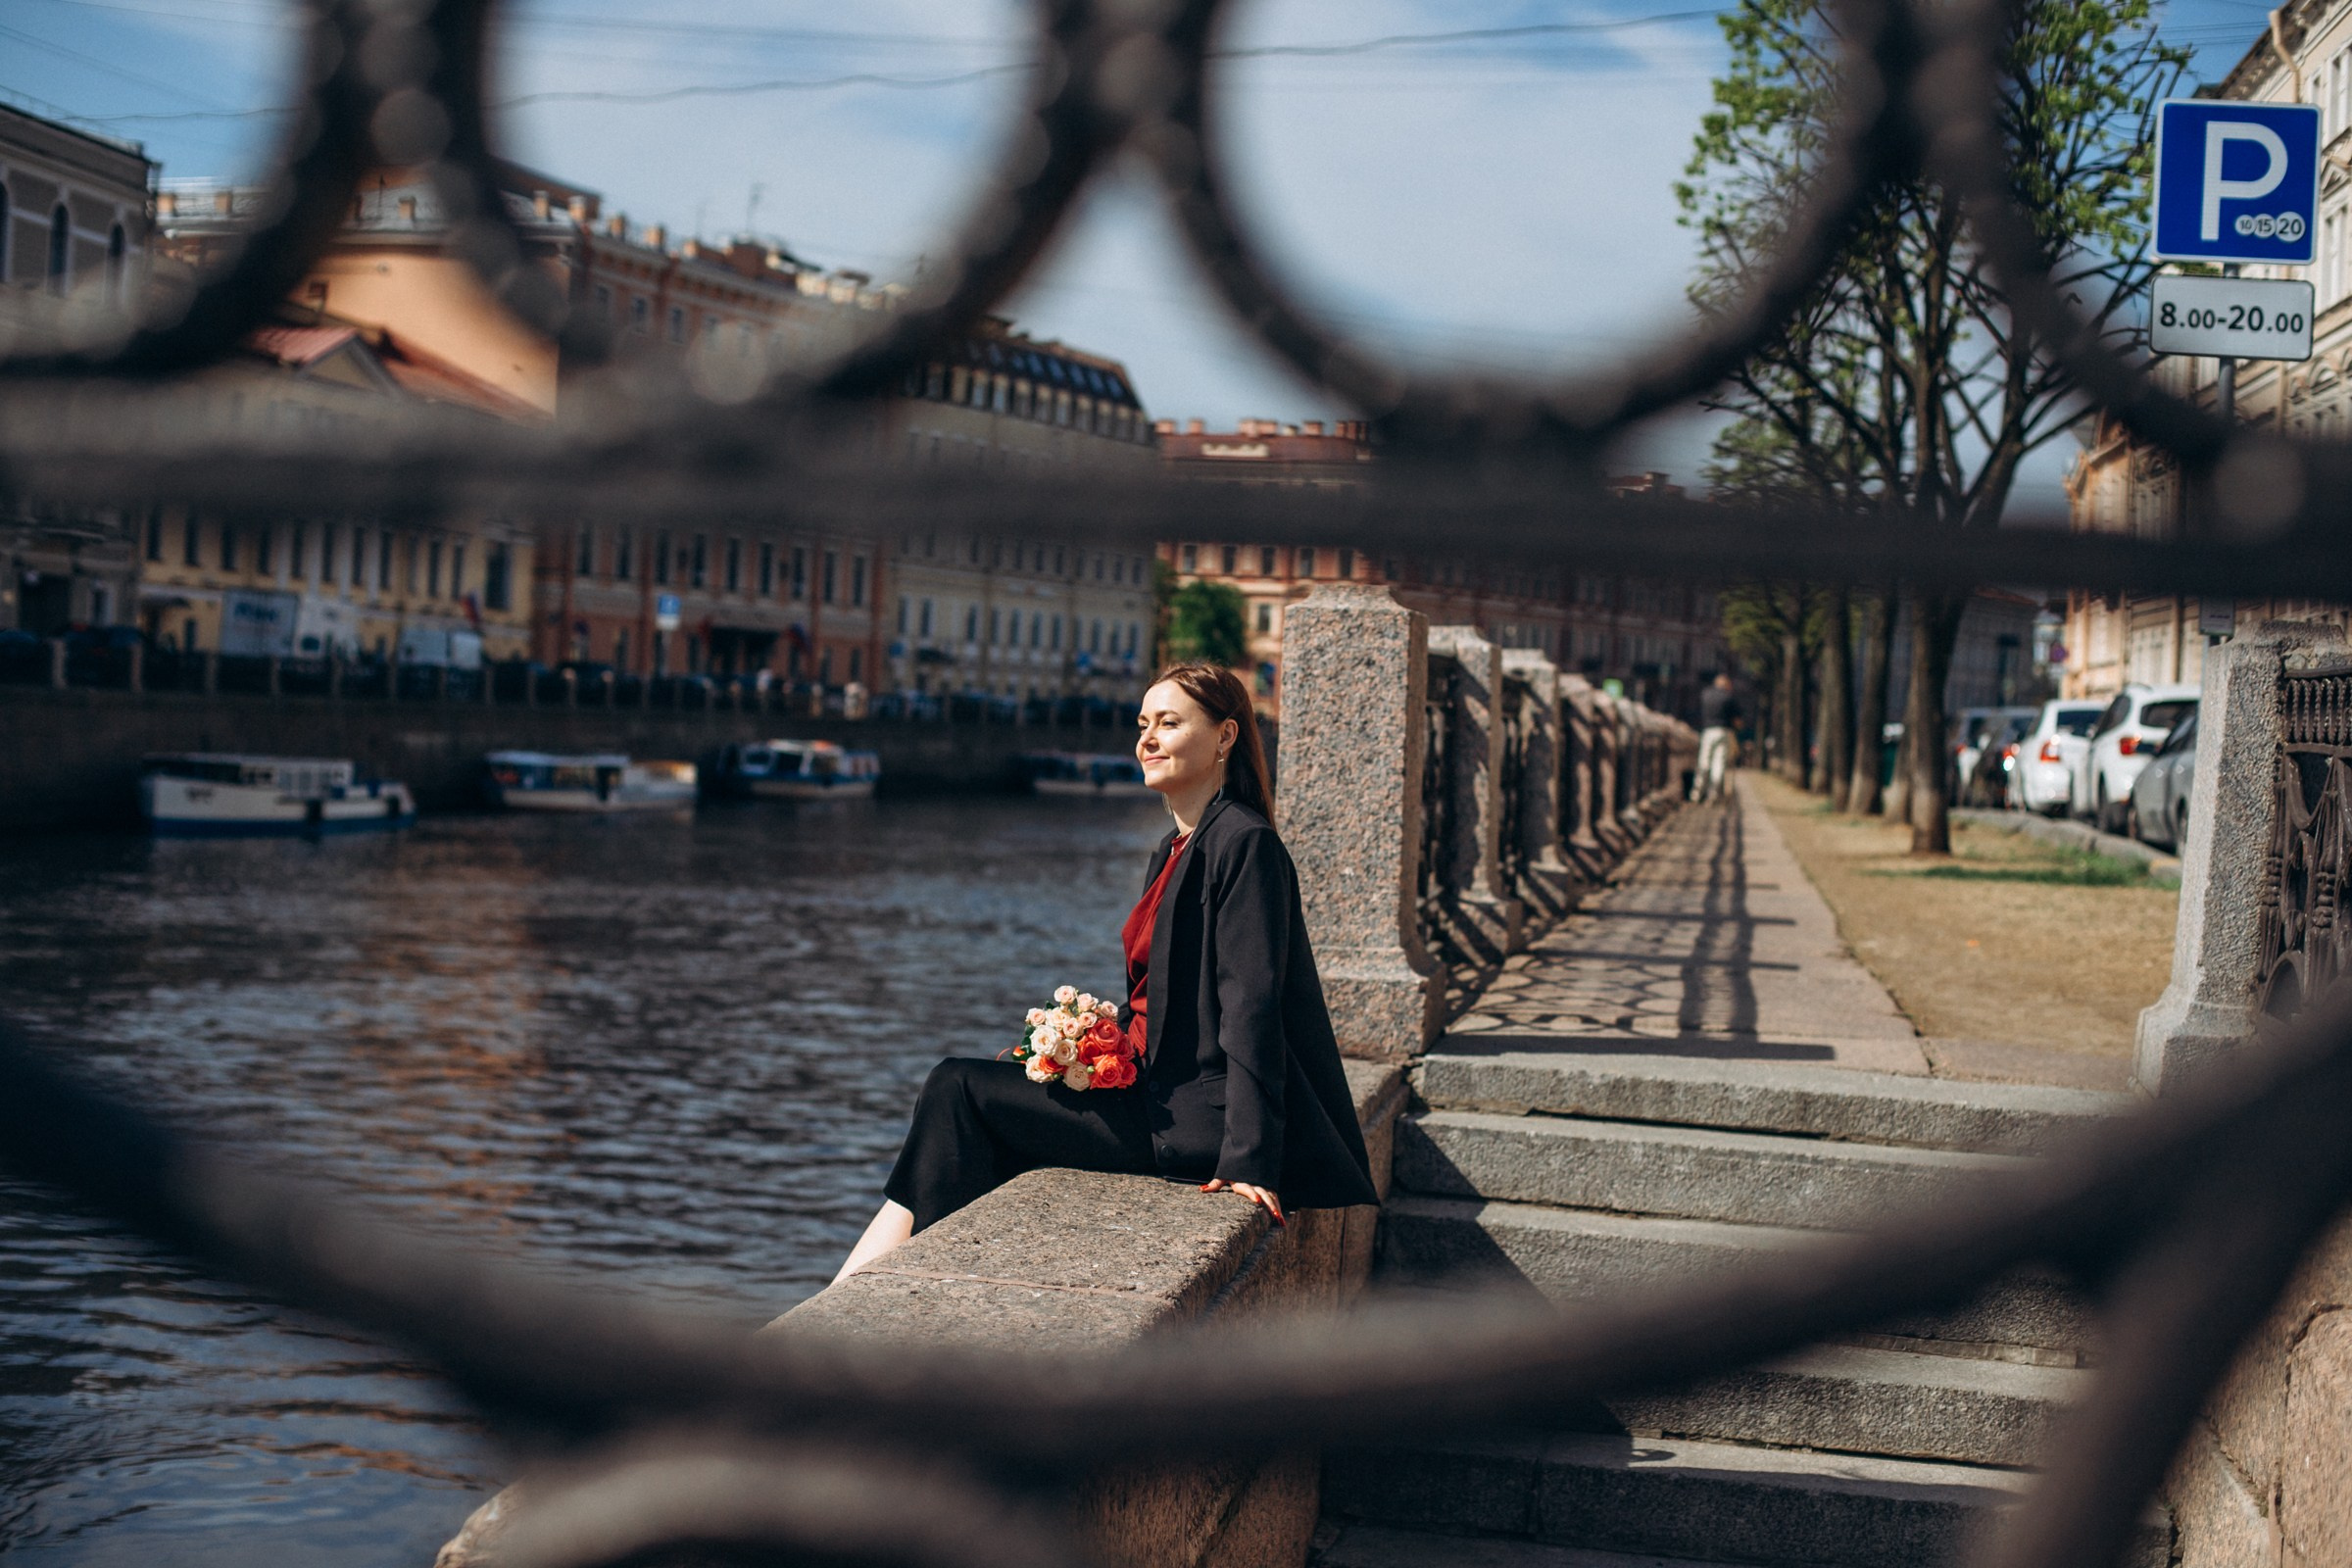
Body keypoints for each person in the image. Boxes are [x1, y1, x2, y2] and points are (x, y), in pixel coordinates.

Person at [832, 662, 1380, 1281]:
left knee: (955, 1088)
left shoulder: (1244, 844)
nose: (1147, 739)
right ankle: (870, 1288)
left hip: (1190, 1119)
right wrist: (1091, 1043)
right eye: (1142, 724)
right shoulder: (1175, 849)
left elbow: (1251, 1005)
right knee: (972, 1093)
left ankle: (870, 1291)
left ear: (1225, 736)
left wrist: (1250, 1158)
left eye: (1169, 724)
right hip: (1150, 1089)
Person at [1693, 672, 1740, 803]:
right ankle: (1713, 794)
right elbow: (1737, 721)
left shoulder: (1706, 695)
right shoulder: (1729, 697)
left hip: (1708, 731)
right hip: (1724, 732)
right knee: (1718, 763)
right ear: (1727, 684)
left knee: (1703, 761)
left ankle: (1697, 792)